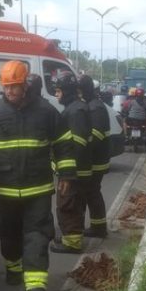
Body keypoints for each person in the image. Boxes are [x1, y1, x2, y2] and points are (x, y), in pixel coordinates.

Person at [0, 61, 72, 291]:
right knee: (9, 234)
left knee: (37, 235)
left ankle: (36, 286)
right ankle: (13, 267)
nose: (10, 92)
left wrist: (66, 175)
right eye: (6, 87)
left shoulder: (46, 112)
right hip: (6, 189)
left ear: (25, 84)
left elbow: (64, 143)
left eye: (14, 86)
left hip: (38, 188)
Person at [49, 71, 92, 254]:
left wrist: (67, 169)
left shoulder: (75, 111)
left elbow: (76, 143)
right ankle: (70, 237)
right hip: (76, 169)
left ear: (66, 91)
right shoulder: (75, 108)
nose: (56, 95)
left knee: (68, 205)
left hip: (74, 170)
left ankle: (72, 243)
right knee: (73, 205)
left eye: (58, 91)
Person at [78, 74, 111, 238]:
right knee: (91, 193)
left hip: (96, 160)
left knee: (92, 192)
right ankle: (98, 227)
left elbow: (96, 135)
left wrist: (83, 151)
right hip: (95, 159)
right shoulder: (92, 104)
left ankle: (99, 228)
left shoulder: (95, 107)